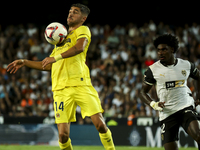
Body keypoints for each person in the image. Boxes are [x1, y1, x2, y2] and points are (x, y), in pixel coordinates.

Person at [7, 3, 115, 150]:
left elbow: (79, 48)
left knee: (100, 125)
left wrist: (55, 58)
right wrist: (25, 62)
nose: (70, 14)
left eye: (75, 12)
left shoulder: (82, 30)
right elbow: (48, 65)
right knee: (63, 136)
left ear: (83, 18)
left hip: (81, 85)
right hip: (60, 90)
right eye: (70, 11)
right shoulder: (60, 42)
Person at [139, 34, 200, 150]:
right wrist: (154, 104)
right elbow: (142, 93)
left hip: (185, 107)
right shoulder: (153, 70)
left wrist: (199, 96)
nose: (160, 53)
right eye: (158, 50)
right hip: (167, 113)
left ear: (172, 49)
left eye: (164, 49)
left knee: (198, 135)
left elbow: (198, 76)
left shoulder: (186, 65)